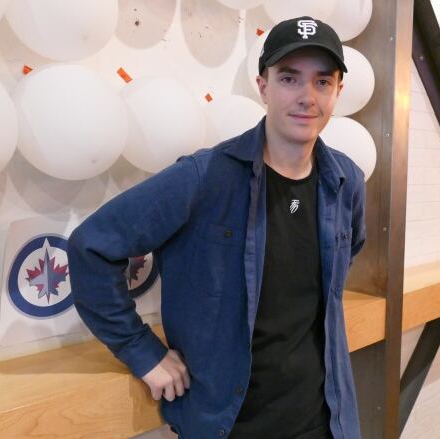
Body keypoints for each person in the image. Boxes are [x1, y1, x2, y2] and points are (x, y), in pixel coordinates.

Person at [67, 16, 366, 439]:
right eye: (289, 78)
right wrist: (141, 351)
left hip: (323, 419)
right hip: (228, 425)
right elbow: (91, 248)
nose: (306, 97)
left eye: (322, 82)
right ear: (263, 86)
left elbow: (343, 261)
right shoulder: (204, 177)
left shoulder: (346, 180)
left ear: (338, 92)